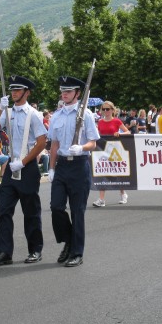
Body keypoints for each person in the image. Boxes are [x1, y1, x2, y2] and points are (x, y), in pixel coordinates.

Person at [0, 77, 47, 266]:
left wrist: (24, 162)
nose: (14, 93)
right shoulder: (7, 112)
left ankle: (35, 250)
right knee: (4, 210)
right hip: (11, 167)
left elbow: (41, 142)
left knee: (31, 211)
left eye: (18, 90)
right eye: (12, 90)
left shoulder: (34, 114)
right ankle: (4, 252)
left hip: (26, 167)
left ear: (27, 92)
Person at [48, 76, 100, 267]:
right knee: (56, 207)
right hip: (62, 166)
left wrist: (82, 148)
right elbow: (54, 144)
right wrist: (51, 168)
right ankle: (68, 240)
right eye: (63, 90)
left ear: (77, 94)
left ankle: (77, 252)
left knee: (78, 211)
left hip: (79, 165)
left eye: (68, 91)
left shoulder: (85, 115)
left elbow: (93, 142)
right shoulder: (57, 115)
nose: (64, 94)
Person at [92, 100, 129, 207]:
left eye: (107, 109)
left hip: (115, 150)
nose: (105, 111)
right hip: (102, 149)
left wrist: (120, 134)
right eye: (103, 109)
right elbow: (97, 134)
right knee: (102, 172)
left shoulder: (117, 121)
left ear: (112, 110)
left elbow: (128, 132)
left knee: (117, 172)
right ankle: (101, 199)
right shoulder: (100, 122)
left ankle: (123, 193)